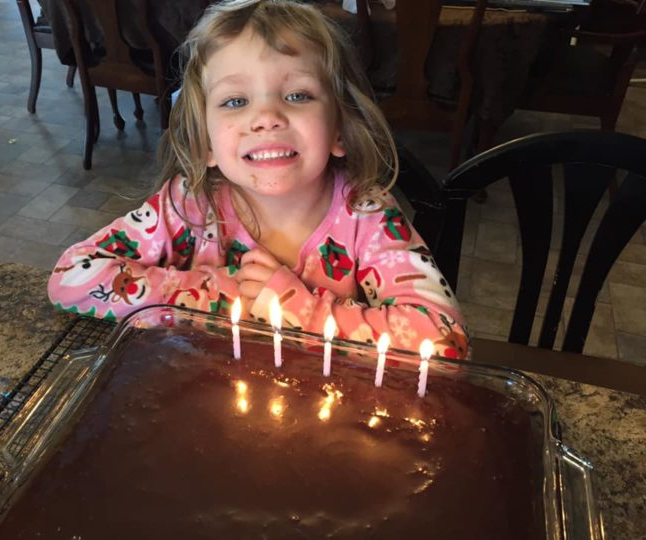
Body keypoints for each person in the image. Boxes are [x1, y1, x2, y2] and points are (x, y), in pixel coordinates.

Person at [47, 0, 470, 360]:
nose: (266, 117)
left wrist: (291, 306)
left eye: (298, 95)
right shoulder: (186, 205)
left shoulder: (368, 214)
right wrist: (216, 297)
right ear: (206, 143)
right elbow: (71, 275)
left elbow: (443, 339)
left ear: (339, 128)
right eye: (235, 101)